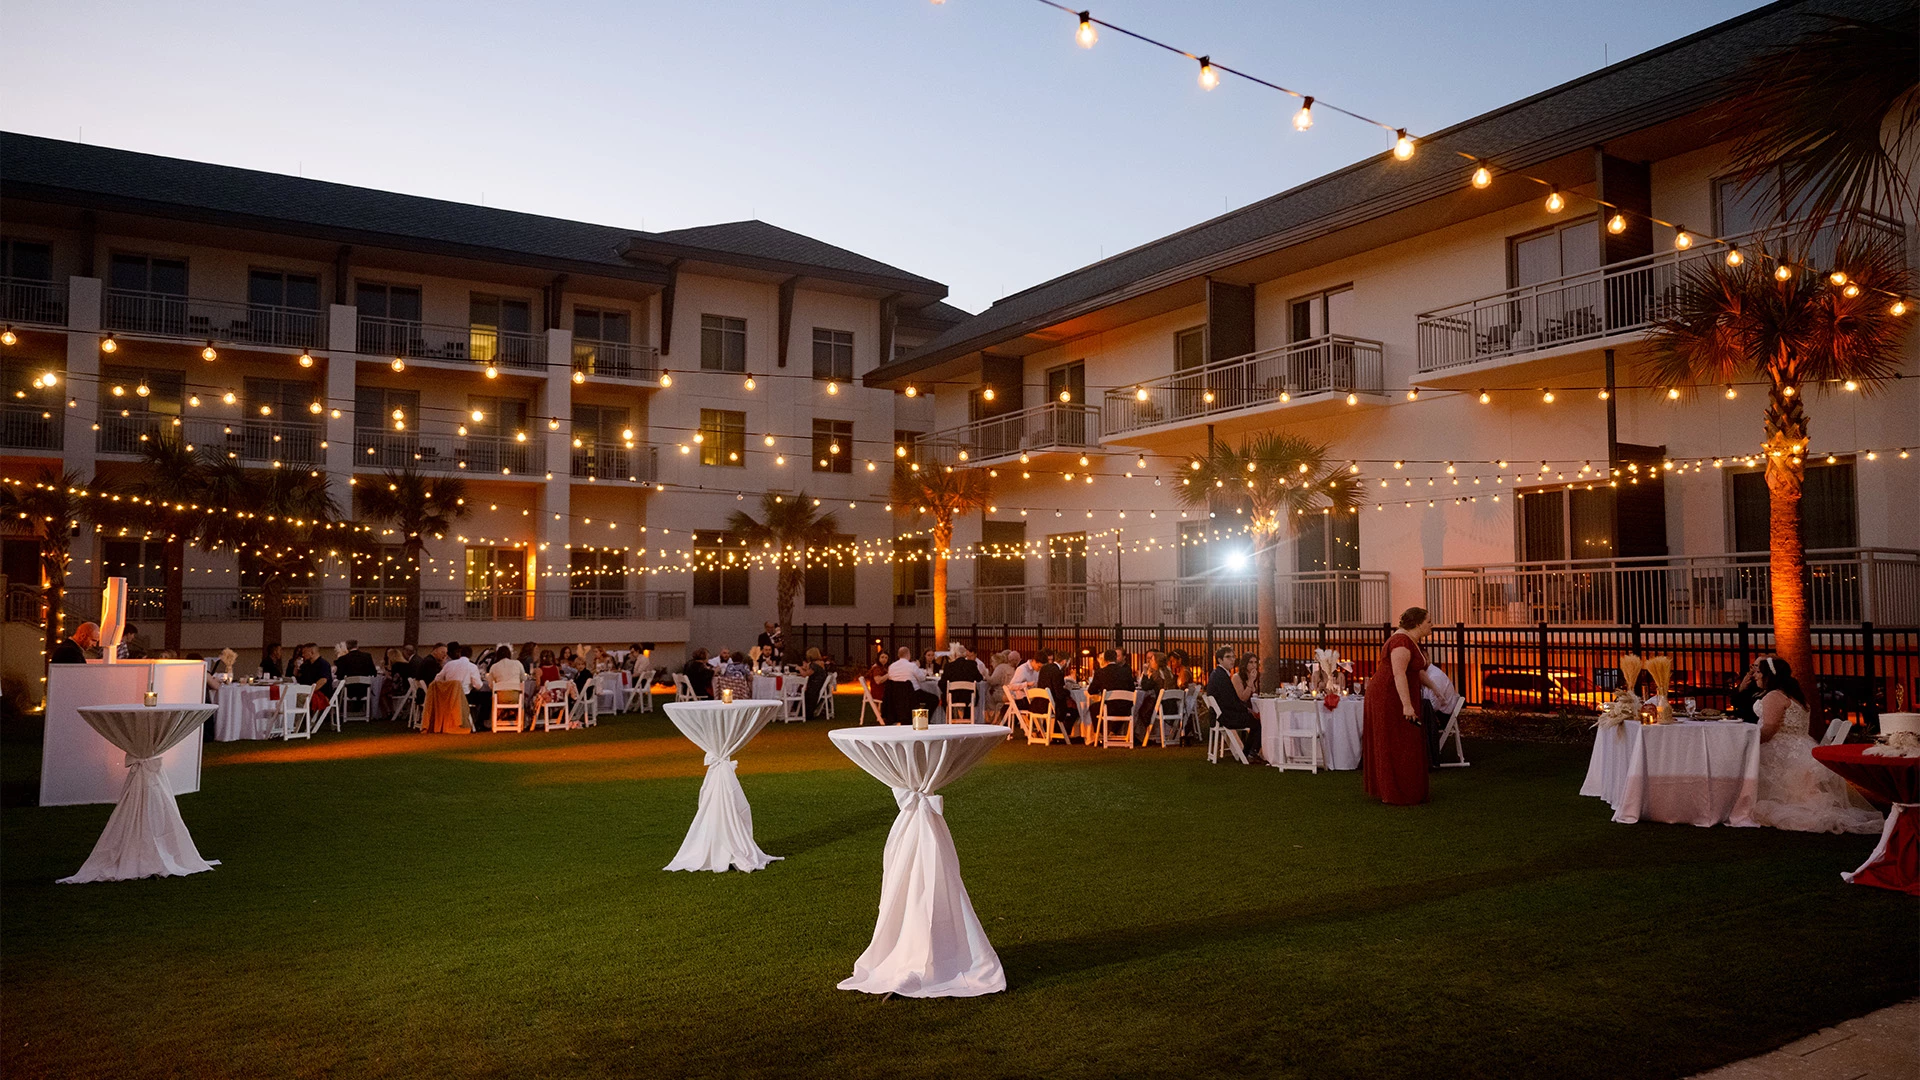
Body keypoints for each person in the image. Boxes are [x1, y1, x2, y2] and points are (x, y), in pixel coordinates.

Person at [1749, 658, 1882, 834]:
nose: (1755, 676)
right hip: (1803, 746)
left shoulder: (1774, 696)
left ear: (1769, 675)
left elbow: (1769, 729)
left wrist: (1749, 743)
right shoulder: (1796, 696)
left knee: (1748, 761)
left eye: (1759, 672)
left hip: (1780, 747)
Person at [1364, 608, 1437, 805]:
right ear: (1418, 624)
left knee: (1407, 739)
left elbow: (1416, 671)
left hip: (1399, 694)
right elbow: (1399, 673)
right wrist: (1407, 706)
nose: (1432, 625)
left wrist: (1435, 688)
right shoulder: (1400, 642)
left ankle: (1409, 788)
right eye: (1428, 622)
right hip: (1389, 696)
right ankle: (1394, 790)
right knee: (1397, 740)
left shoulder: (1411, 641)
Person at [1205, 645, 1264, 764]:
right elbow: (1230, 702)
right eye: (1228, 657)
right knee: (1258, 723)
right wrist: (1247, 710)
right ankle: (1250, 753)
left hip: (1221, 714)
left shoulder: (1219, 674)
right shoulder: (1221, 676)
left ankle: (1247, 753)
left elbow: (1230, 700)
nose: (1232, 660)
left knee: (1255, 720)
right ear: (1220, 660)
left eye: (1233, 657)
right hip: (1225, 716)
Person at [437, 643, 488, 729]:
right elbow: (478, 686)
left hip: (448, 696)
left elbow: (438, 679)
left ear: (459, 653)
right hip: (464, 696)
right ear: (471, 655)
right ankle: (480, 723)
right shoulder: (472, 666)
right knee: (487, 698)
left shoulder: (449, 665)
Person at [886, 646, 940, 721]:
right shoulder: (912, 666)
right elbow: (921, 678)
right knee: (934, 699)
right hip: (912, 693)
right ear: (908, 655)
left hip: (895, 695)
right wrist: (923, 672)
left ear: (898, 655)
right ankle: (923, 719)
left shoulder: (891, 666)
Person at [1037, 649, 1082, 732]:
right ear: (1064, 661)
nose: (1068, 665)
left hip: (1039, 703)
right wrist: (1069, 691)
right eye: (1068, 662)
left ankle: (1050, 731)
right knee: (1076, 711)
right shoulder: (1058, 672)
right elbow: (1059, 693)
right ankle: (1062, 732)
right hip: (1051, 706)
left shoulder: (1044, 668)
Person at [939, 644, 988, 717]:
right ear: (965, 654)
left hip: (953, 697)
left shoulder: (948, 666)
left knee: (944, 696)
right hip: (969, 697)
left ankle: (951, 717)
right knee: (971, 695)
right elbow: (979, 678)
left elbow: (941, 683)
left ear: (955, 655)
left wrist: (947, 690)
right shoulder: (972, 664)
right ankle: (967, 717)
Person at [1134, 651, 1169, 743]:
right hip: (1169, 704)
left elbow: (1145, 686)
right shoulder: (1168, 673)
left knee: (1138, 709)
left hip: (1159, 706)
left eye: (1152, 660)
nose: (1150, 662)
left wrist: (1145, 672)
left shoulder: (1156, 675)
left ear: (1157, 662)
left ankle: (1140, 735)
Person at [1729, 656, 1770, 723]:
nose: (1753, 670)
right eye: (1753, 666)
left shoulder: (1774, 691)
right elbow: (1734, 702)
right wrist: (1742, 687)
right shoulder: (1751, 683)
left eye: (1757, 667)